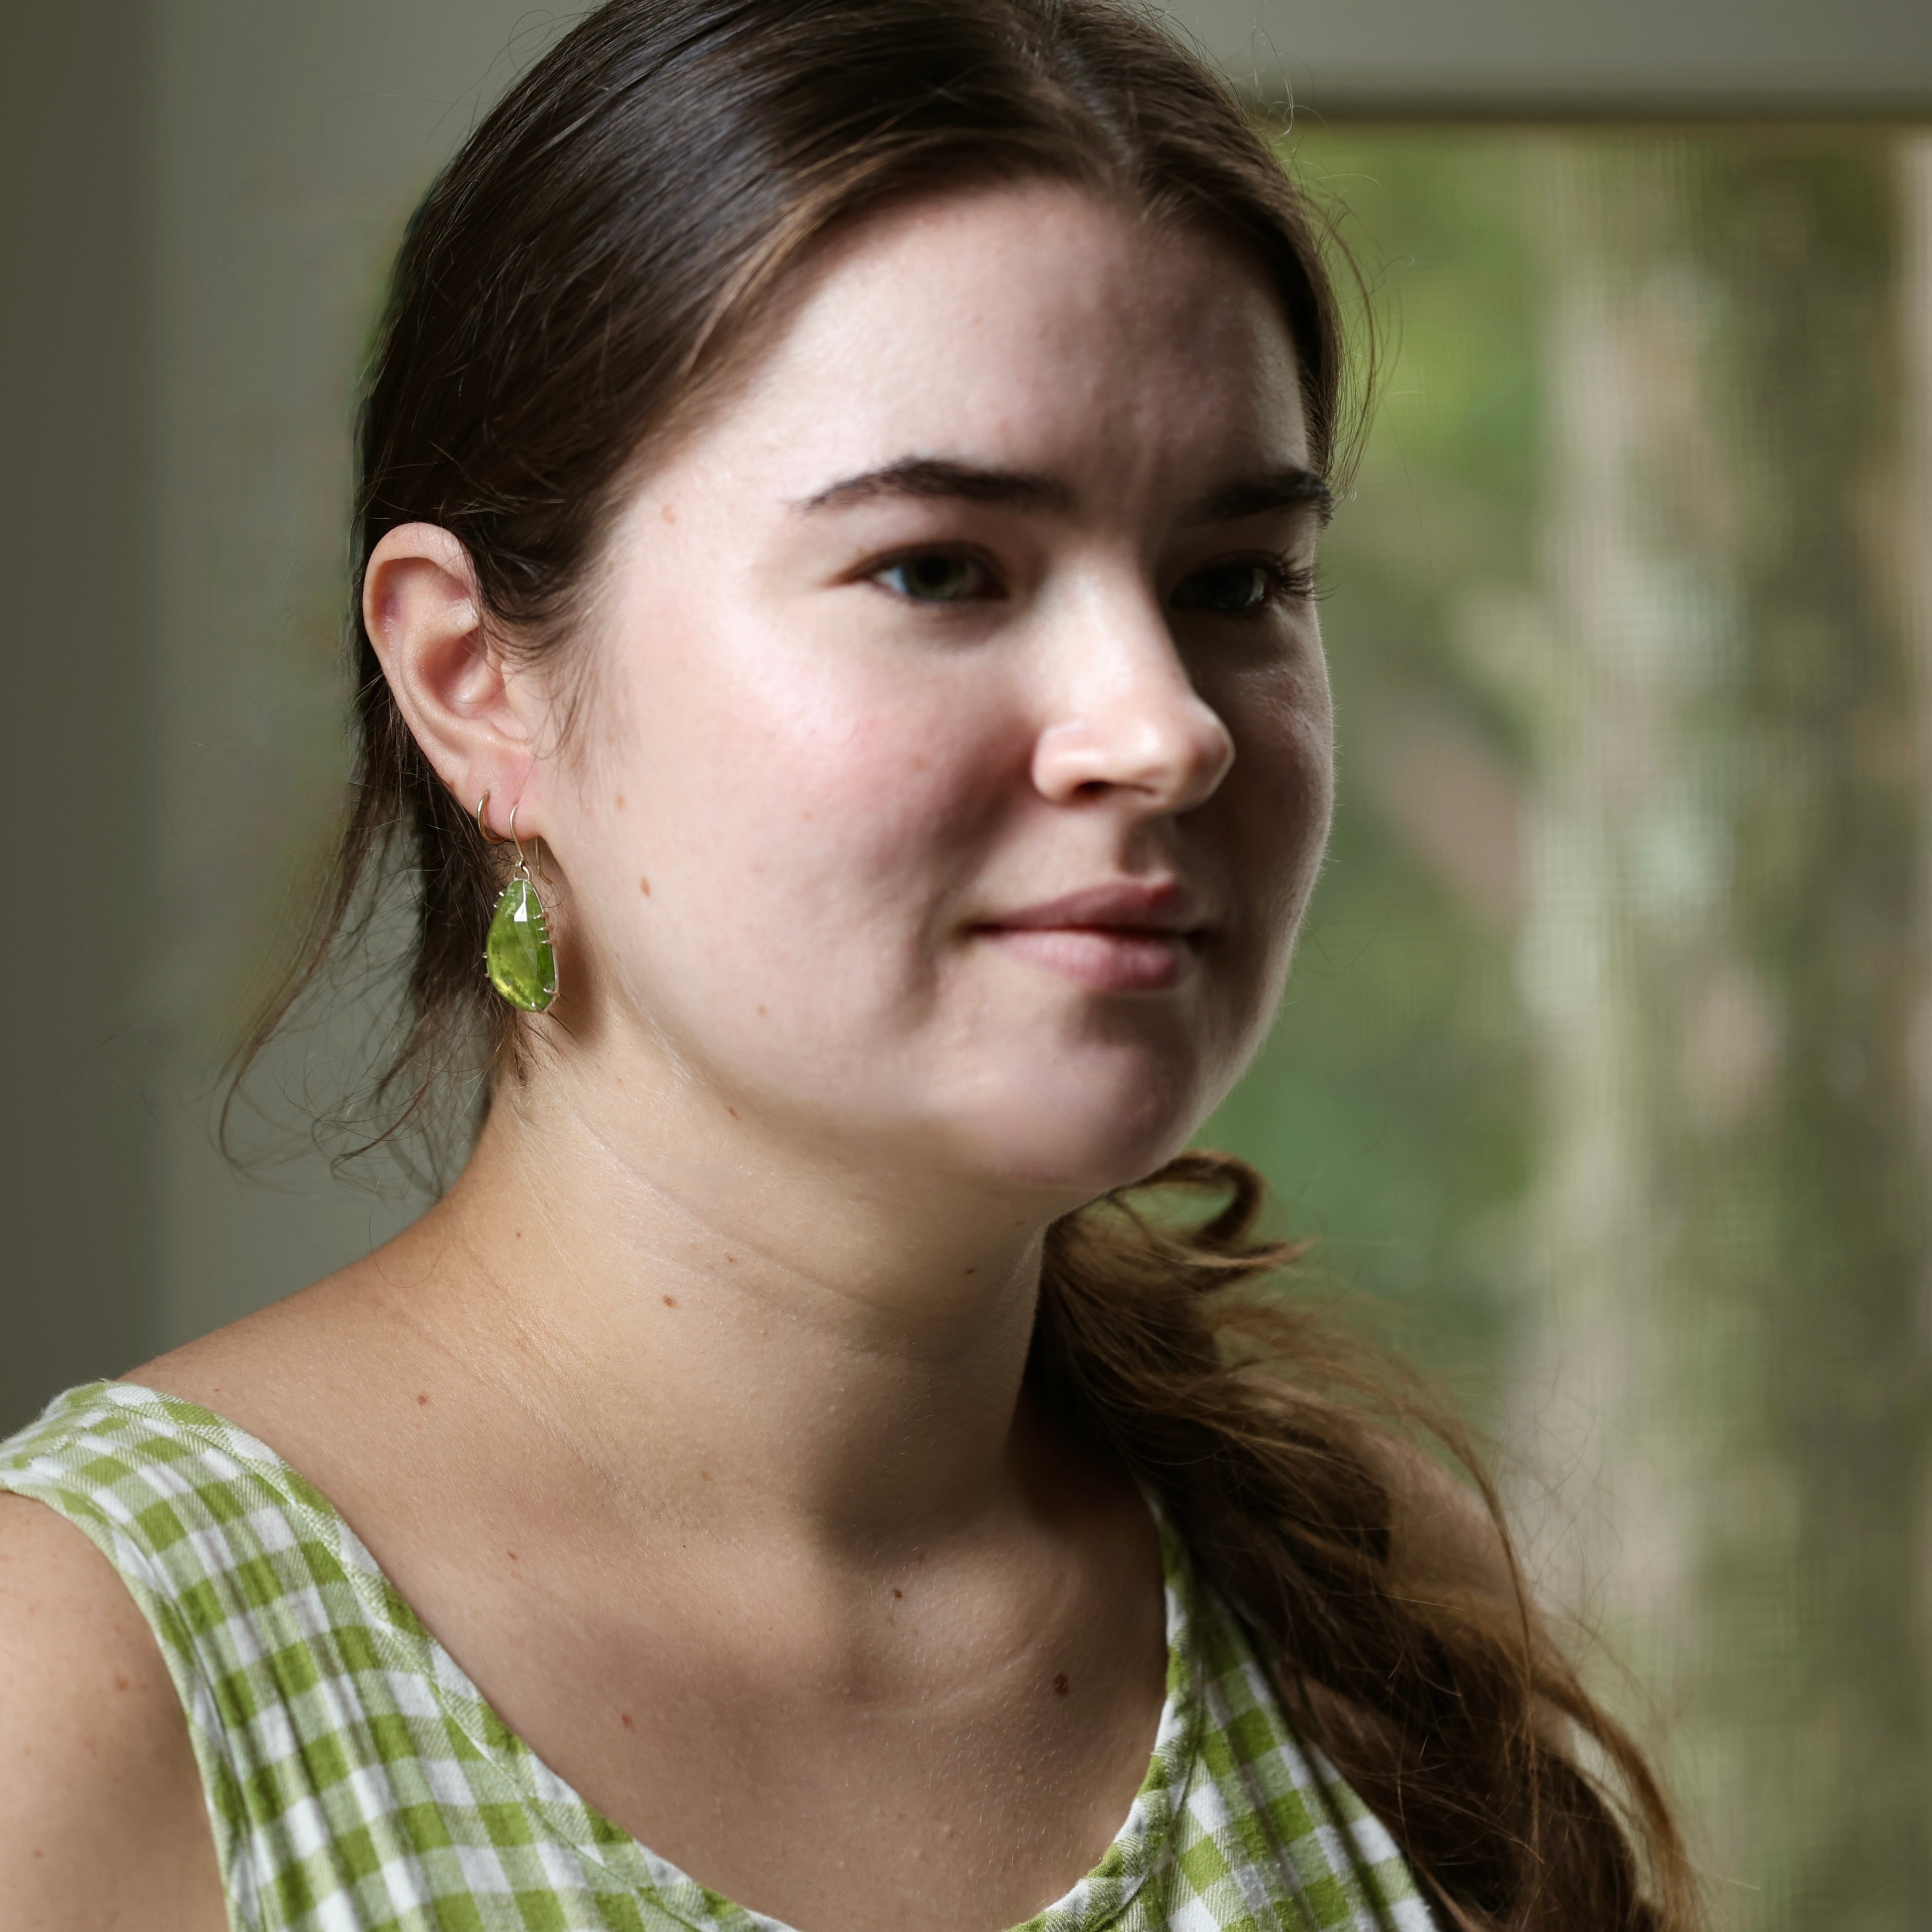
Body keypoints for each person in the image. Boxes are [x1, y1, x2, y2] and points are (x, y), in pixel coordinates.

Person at [0, 2, 1696, 1926]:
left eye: (1236, 584)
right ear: (479, 683)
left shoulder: (1390, 1615)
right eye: (938, 568)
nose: (1165, 728)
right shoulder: (84, 1695)